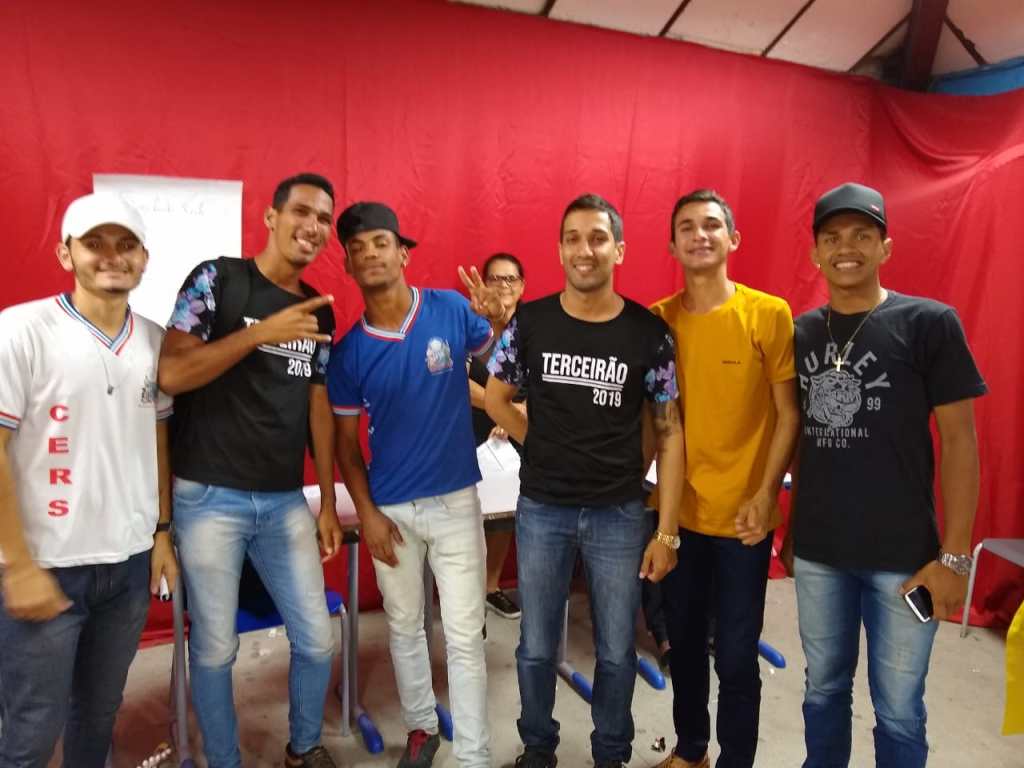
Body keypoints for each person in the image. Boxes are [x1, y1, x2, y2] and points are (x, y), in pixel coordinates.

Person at [781, 182, 987, 768]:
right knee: (823, 689)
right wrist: (793, 532)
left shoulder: (928, 323)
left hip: (905, 560)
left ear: (885, 247)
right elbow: (799, 439)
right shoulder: (800, 332)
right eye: (832, 238)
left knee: (898, 708)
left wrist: (954, 560)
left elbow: (960, 442)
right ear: (815, 253)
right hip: (820, 554)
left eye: (862, 236)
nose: (846, 248)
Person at [486, 193, 685, 768]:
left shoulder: (649, 333)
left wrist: (666, 531)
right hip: (542, 509)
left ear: (618, 250)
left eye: (598, 238)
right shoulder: (531, 322)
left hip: (618, 513)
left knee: (617, 651)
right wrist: (537, 442)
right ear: (559, 250)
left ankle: (611, 753)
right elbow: (496, 397)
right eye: (572, 238)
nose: (584, 249)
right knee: (534, 645)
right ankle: (537, 747)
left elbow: (669, 432)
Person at [158, 173, 343, 768]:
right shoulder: (217, 280)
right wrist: (261, 334)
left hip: (285, 499)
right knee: (215, 649)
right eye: (302, 211)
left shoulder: (317, 311)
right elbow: (172, 374)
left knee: (317, 639)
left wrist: (327, 501)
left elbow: (318, 405)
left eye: (324, 219)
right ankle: (224, 760)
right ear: (271, 216)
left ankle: (303, 748)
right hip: (209, 496)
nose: (312, 226)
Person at [0, 193, 177, 768]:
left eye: (126, 245)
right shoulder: (21, 330)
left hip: (126, 567)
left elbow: (159, 438)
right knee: (32, 728)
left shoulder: (154, 340)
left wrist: (161, 532)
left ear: (144, 258)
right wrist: (18, 566)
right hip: (47, 565)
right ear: (65, 253)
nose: (111, 256)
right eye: (94, 243)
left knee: (99, 714)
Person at [330, 202, 506, 768]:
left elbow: (500, 365)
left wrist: (499, 323)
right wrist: (368, 514)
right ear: (348, 266)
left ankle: (474, 755)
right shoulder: (348, 353)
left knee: (464, 634)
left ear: (403, 253)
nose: (370, 255)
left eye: (381, 242)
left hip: (455, 501)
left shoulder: (450, 309)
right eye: (357, 249)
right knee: (405, 627)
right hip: (391, 511)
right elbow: (345, 446)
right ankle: (421, 728)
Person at [649, 189, 800, 768]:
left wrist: (766, 494)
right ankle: (691, 751)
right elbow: (657, 423)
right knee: (684, 647)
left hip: (745, 521)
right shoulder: (659, 320)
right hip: (680, 517)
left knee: (736, 657)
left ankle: (737, 759)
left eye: (711, 225)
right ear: (671, 245)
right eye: (686, 227)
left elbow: (789, 414)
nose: (699, 235)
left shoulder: (768, 314)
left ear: (733, 239)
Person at [468, 252, 527, 621]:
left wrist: (517, 414)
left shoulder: (533, 328)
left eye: (510, 279)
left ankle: (491, 587)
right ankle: (467, 594)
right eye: (495, 278)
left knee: (507, 511)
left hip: (521, 428)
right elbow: (456, 381)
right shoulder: (469, 325)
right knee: (468, 514)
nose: (503, 285)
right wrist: (498, 407)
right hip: (471, 426)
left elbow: (546, 381)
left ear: (522, 286)